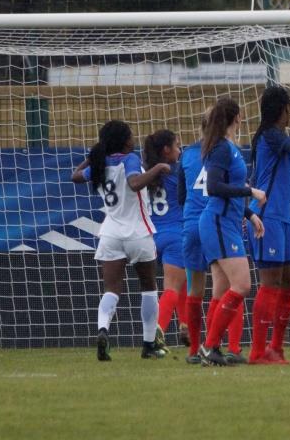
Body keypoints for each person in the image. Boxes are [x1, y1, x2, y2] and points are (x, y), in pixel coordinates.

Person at [72, 120, 169, 361]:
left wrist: (92, 157)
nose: (134, 138)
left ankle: (103, 330)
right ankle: (149, 345)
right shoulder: (130, 159)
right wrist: (158, 168)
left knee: (111, 290)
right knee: (149, 287)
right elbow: (134, 183)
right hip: (137, 233)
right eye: (130, 135)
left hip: (111, 234)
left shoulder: (100, 164)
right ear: (125, 141)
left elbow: (74, 176)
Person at [246, 86, 290, 365]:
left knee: (289, 282)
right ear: (283, 109)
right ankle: (257, 352)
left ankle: (276, 348)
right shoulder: (271, 136)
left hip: (284, 219)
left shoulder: (274, 137)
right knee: (270, 282)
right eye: (289, 108)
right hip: (267, 218)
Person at [197, 97, 266, 366]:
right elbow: (214, 188)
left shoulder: (228, 147)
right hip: (219, 223)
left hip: (226, 221)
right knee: (242, 285)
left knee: (221, 290)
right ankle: (210, 347)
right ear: (237, 117)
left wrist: (249, 214)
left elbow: (226, 189)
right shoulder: (222, 149)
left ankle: (210, 349)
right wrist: (251, 191)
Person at [142, 129, 188, 353]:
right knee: (172, 287)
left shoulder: (146, 173)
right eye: (177, 146)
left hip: (152, 236)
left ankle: (186, 327)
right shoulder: (177, 171)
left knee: (182, 280)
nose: (180, 150)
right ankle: (155, 335)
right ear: (166, 150)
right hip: (175, 235)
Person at [178, 111, 212, 364]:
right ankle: (224, 346)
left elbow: (181, 196)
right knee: (231, 286)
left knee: (195, 289)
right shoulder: (226, 152)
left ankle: (193, 350)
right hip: (216, 223)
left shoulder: (187, 154)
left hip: (191, 223)